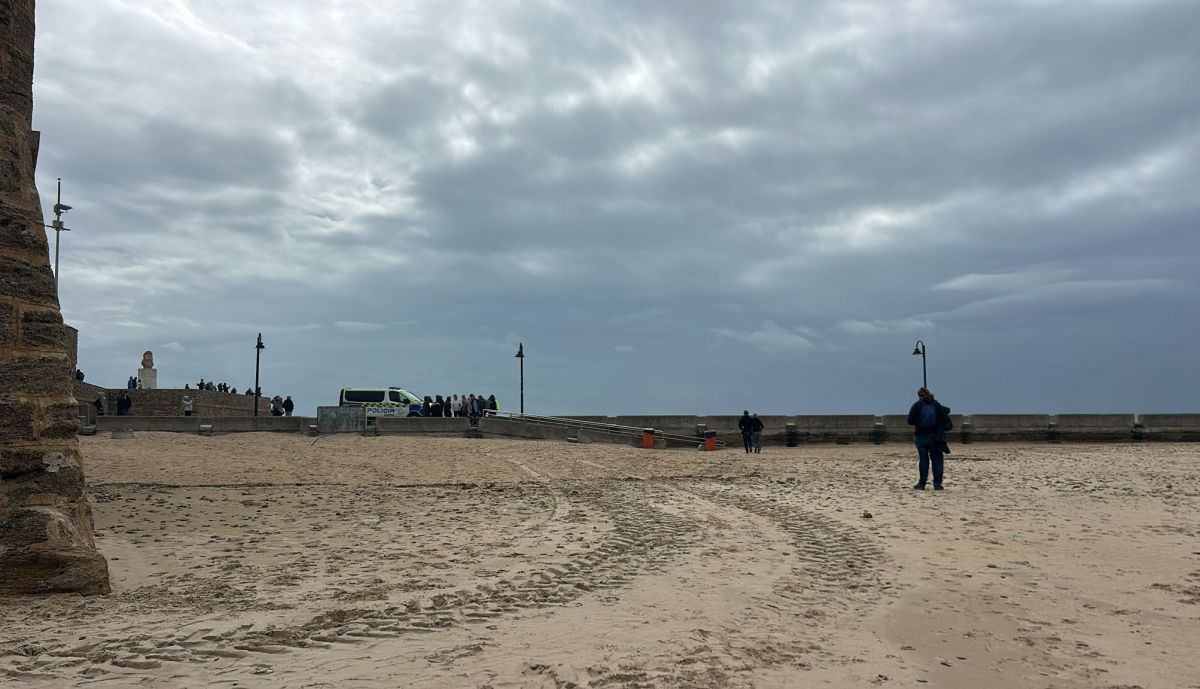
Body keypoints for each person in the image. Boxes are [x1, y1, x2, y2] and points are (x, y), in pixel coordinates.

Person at [907, 387, 951, 491]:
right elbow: (944, 421)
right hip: (936, 437)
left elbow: (910, 421)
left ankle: (922, 484)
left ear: (919, 395)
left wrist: (919, 421)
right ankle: (937, 484)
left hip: (921, 437)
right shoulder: (937, 405)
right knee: (937, 460)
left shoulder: (917, 405)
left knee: (923, 460)